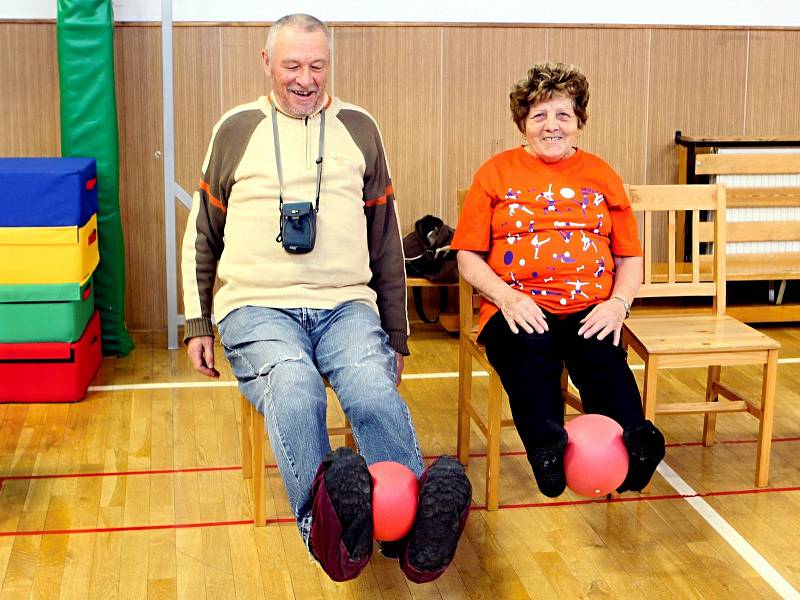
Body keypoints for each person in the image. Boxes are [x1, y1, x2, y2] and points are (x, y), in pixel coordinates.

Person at [181, 14, 471, 583]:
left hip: (346, 305)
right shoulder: (236, 128)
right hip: (256, 307)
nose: (306, 79)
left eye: (317, 66)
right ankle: (329, 531)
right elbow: (202, 231)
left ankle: (413, 536)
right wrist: (197, 322)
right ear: (267, 63)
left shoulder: (359, 126)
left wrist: (396, 335)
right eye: (292, 65)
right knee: (295, 386)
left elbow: (386, 238)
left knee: (370, 390)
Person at [451, 62, 665, 498]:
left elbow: (630, 257)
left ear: (579, 122)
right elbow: (467, 257)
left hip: (592, 305)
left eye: (563, 115)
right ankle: (546, 447)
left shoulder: (602, 175)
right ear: (522, 124)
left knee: (603, 361)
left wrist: (617, 305)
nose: (552, 126)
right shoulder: (494, 173)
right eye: (539, 116)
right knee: (531, 352)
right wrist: (507, 298)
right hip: (518, 304)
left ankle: (635, 444)